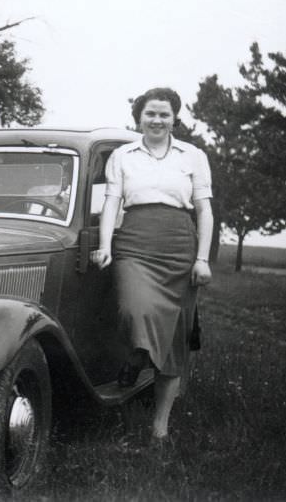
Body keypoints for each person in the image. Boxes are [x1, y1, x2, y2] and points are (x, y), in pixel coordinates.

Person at [92, 87, 213, 444]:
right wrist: (104, 246)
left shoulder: (192, 155)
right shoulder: (123, 155)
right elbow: (112, 202)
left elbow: (204, 209)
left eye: (164, 114)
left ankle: (160, 427)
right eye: (150, 114)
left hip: (179, 245)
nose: (157, 120)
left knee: (174, 341)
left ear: (175, 118)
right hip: (134, 243)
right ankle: (138, 353)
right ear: (139, 118)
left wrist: (202, 259)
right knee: (134, 309)